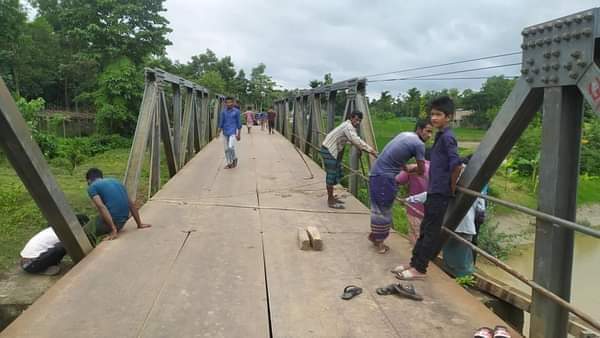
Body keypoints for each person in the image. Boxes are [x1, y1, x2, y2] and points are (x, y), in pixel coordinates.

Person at [393, 96, 462, 280]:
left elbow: (456, 165)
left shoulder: (448, 137)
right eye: (432, 114)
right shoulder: (441, 135)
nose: (434, 118)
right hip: (433, 190)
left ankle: (420, 268)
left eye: (438, 114)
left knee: (430, 231)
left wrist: (452, 187)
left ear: (448, 116)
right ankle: (414, 263)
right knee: (425, 229)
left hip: (440, 192)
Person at [404, 159, 485, 277]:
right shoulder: (474, 187)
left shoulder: (448, 183)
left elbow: (429, 194)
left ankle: (456, 277)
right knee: (462, 260)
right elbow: (480, 208)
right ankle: (462, 281)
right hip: (465, 228)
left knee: (451, 256)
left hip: (448, 225)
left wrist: (408, 200)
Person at [367, 120, 433, 253]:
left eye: (432, 132)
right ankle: (379, 242)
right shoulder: (419, 144)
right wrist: (413, 169)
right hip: (385, 178)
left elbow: (395, 156)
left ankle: (375, 236)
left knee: (378, 208)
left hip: (376, 174)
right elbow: (421, 170)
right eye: (428, 131)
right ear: (419, 130)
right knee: (383, 210)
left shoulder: (405, 135)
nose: (430, 135)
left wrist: (405, 168)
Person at [319, 110, 378, 209]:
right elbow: (355, 140)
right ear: (351, 118)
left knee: (336, 172)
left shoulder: (348, 126)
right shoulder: (348, 127)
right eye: (356, 119)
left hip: (330, 149)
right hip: (329, 150)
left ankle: (332, 197)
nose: (357, 122)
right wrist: (371, 151)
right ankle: (330, 201)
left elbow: (351, 140)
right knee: (331, 174)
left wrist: (359, 147)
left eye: (359, 120)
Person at [86, 168, 151, 241]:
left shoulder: (92, 187)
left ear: (89, 180)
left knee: (83, 233)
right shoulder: (116, 181)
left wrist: (113, 229)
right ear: (101, 177)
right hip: (122, 222)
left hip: (114, 223)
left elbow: (101, 207)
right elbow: (130, 203)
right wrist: (139, 224)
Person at [20, 214, 89, 275]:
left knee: (62, 245)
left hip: (26, 263)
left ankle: (47, 264)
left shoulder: (55, 228)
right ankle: (42, 268)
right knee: (66, 244)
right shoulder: (63, 234)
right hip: (31, 265)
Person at [395, 149, 431, 246]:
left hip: (415, 209)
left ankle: (416, 258)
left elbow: (398, 180)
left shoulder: (414, 167)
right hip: (432, 212)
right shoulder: (440, 171)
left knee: (415, 237)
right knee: (428, 237)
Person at [218, 97, 242, 169]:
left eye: (230, 102)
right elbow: (221, 123)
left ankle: (234, 158)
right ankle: (229, 163)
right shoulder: (223, 112)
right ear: (225, 103)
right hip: (225, 132)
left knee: (230, 147)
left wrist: (239, 134)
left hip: (232, 132)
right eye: (227, 102)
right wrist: (218, 132)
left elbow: (239, 123)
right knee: (226, 149)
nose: (229, 104)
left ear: (233, 103)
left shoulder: (236, 111)